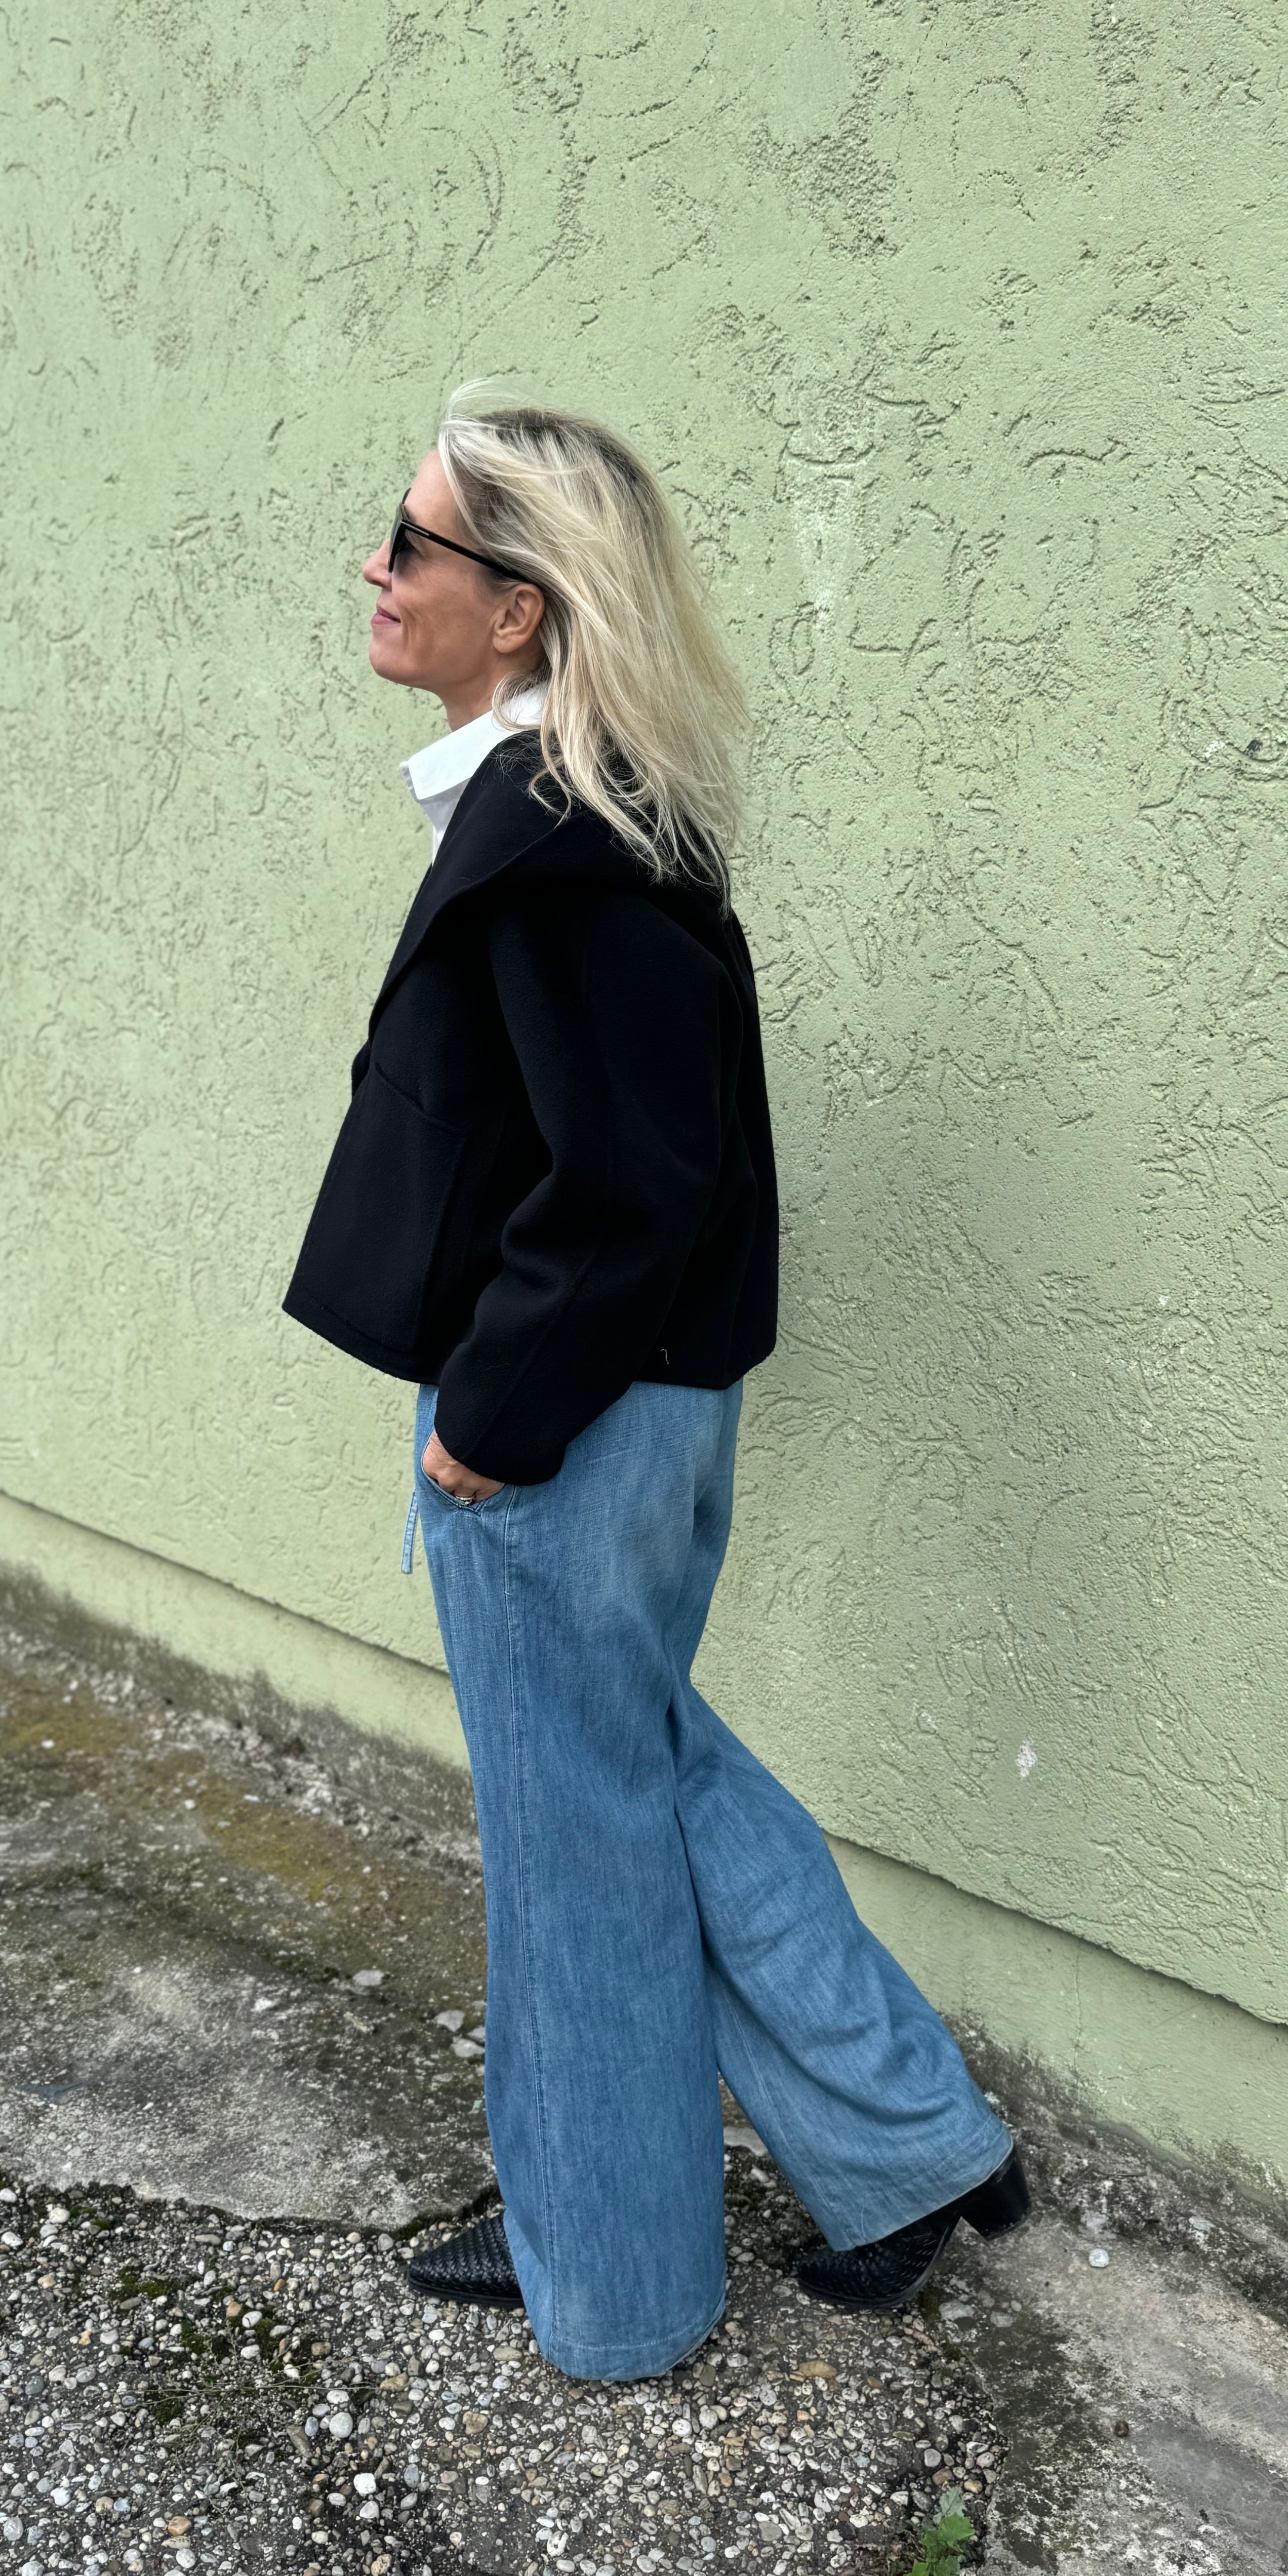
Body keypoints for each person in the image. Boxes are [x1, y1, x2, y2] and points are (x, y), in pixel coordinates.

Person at [281, 390, 1026, 2383]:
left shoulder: (559, 838)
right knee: (648, 1779)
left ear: (519, 607)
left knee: (578, 1849)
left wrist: (487, 1423)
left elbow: (629, 1183)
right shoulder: (586, 810)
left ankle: (614, 2285)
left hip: (571, 1420)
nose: (377, 568)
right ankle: (913, 2149)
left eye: (412, 542)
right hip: (627, 1402)